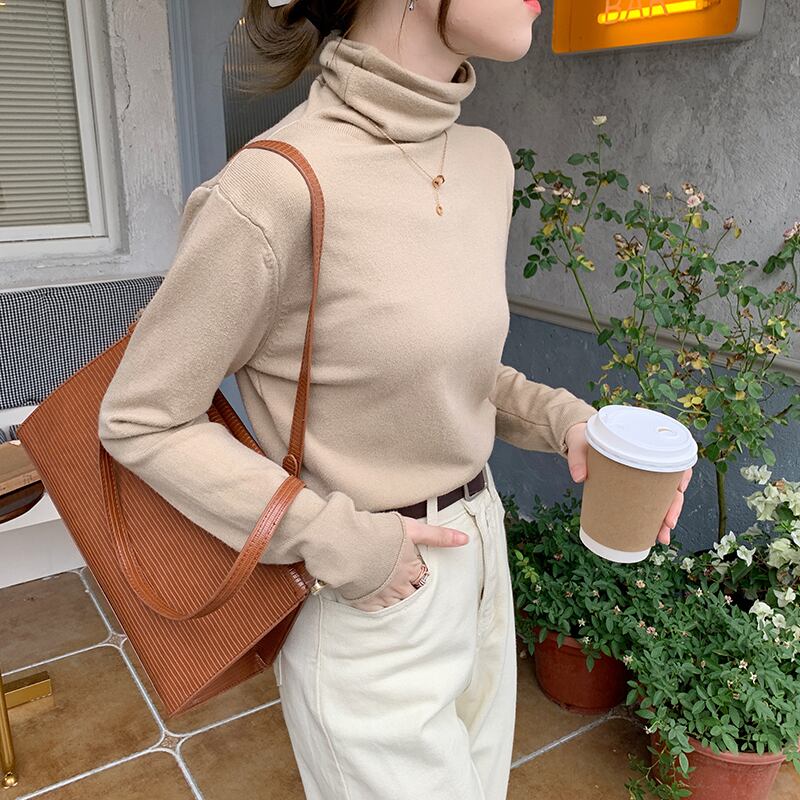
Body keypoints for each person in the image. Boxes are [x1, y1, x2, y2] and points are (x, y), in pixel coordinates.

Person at [98, 1, 692, 797]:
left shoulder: (484, 160)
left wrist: (567, 423)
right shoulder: (275, 187)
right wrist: (339, 542)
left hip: (481, 557)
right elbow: (141, 417)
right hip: (363, 587)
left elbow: (446, 369)